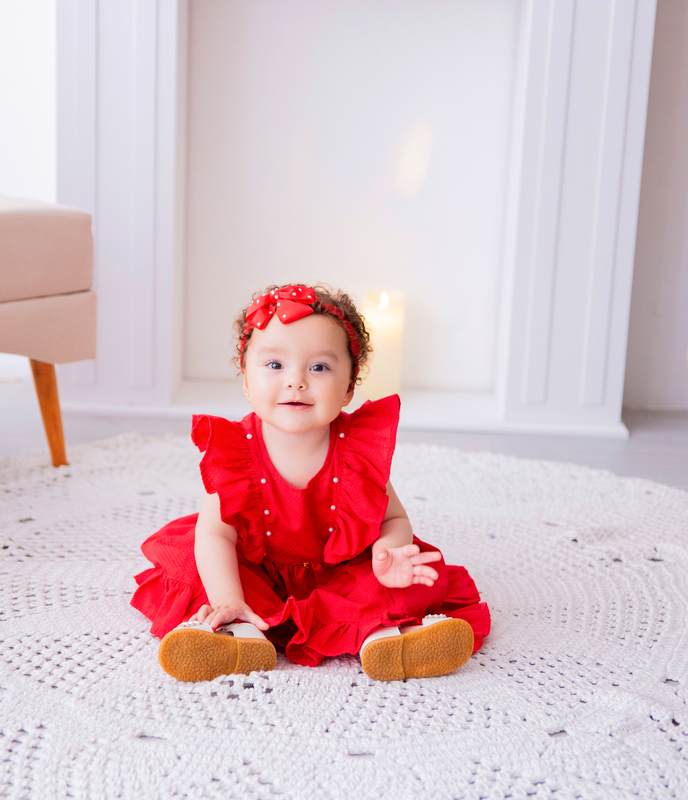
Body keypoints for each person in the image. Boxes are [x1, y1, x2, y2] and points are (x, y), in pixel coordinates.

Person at [131, 284, 491, 681]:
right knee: (195, 568)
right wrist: (228, 598)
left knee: (415, 579)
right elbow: (216, 535)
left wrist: (388, 554)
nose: (296, 381)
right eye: (274, 366)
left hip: (338, 573)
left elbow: (392, 519)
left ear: (350, 388)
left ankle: (385, 638)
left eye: (319, 367)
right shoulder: (235, 453)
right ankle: (239, 631)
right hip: (256, 569)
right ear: (246, 382)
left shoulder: (355, 451)